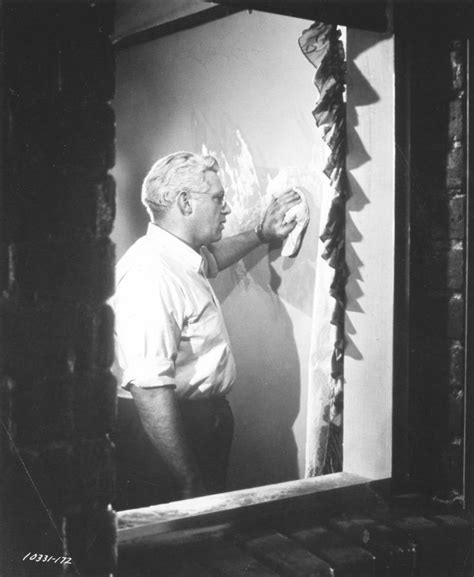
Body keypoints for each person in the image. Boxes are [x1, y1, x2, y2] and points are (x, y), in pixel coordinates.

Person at [111, 151, 301, 509]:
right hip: (169, 436)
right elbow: (149, 390)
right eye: (217, 198)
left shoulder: (176, 256)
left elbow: (212, 260)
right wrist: (188, 478)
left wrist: (261, 233)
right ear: (184, 202)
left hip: (197, 424)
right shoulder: (149, 274)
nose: (226, 208)